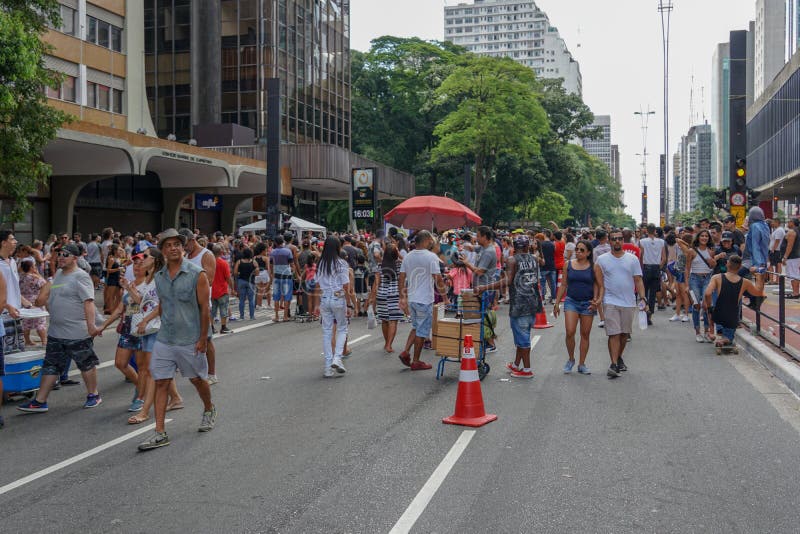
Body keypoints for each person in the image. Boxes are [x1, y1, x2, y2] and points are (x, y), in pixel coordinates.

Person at [137, 229, 216, 451]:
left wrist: (202, 338)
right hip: (165, 338)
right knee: (161, 381)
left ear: (183, 247)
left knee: (197, 380)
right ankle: (160, 432)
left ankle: (209, 408)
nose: (173, 248)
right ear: (162, 251)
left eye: (177, 244)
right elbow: (163, 303)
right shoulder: (160, 277)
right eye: (168, 245)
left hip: (190, 339)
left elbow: (204, 310)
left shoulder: (196, 274)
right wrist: (148, 321)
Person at [17, 243, 104, 413]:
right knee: (50, 365)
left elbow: (89, 302)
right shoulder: (57, 275)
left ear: (75, 258)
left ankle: (93, 394)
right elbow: (44, 300)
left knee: (86, 364)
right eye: (59, 254)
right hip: (56, 332)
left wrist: (91, 326)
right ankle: (40, 401)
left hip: (77, 332)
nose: (61, 257)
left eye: (65, 254)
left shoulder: (81, 276)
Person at [476, 235, 540, 378]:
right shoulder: (534, 259)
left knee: (523, 339)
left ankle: (527, 370)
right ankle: (516, 365)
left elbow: (508, 281)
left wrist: (485, 287)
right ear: (527, 246)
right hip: (532, 302)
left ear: (514, 247)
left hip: (519, 304)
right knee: (522, 335)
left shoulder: (512, 260)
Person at [594, 230, 647, 379]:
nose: (617, 241)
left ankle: (618, 357)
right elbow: (598, 283)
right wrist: (598, 299)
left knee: (624, 334)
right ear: (609, 241)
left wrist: (643, 298)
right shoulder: (602, 260)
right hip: (610, 301)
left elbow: (638, 280)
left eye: (619, 239)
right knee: (613, 333)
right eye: (613, 239)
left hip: (629, 302)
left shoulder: (632, 259)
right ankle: (613, 364)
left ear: (623, 241)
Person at [398, 231, 449, 370]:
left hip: (413, 299)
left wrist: (402, 297)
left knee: (416, 327)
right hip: (424, 299)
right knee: (422, 331)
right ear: (426, 240)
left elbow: (401, 277)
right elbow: (438, 279)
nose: (432, 242)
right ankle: (416, 361)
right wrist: (445, 297)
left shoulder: (408, 256)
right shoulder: (431, 256)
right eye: (431, 240)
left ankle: (406, 352)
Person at [180, 228, 219, 385]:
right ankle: (197, 370)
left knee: (207, 339)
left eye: (184, 244)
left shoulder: (206, 255)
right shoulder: (187, 256)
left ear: (191, 239)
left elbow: (209, 280)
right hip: (186, 304)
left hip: (201, 305)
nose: (183, 248)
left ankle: (212, 374)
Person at [553, 240, 598, 374]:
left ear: (588, 253)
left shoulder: (594, 266)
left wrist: (595, 300)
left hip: (587, 303)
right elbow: (563, 284)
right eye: (577, 249)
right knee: (570, 331)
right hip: (571, 301)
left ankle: (581, 364)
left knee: (585, 334)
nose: (578, 252)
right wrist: (557, 302)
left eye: (582, 250)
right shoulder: (568, 265)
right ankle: (571, 358)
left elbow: (597, 284)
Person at [313, 236, 354, 378]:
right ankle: (337, 358)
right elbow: (345, 285)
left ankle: (327, 367)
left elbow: (317, 285)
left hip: (324, 298)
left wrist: (317, 304)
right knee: (342, 328)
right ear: (337, 247)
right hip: (338, 298)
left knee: (327, 332)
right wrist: (349, 304)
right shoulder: (341, 263)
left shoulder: (320, 263)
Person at [704, 255, 765, 348]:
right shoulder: (745, 282)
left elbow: (707, 293)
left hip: (718, 314)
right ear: (740, 267)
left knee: (709, 309)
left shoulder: (716, 277)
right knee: (729, 333)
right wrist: (759, 276)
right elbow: (758, 292)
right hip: (732, 316)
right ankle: (726, 339)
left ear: (727, 264)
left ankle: (712, 332)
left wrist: (709, 307)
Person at [682, 229, 717, 343]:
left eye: (706, 236)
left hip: (707, 278)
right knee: (696, 306)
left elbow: (712, 267)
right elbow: (687, 268)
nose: (704, 238)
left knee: (706, 306)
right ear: (698, 237)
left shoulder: (711, 250)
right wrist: (687, 285)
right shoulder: (691, 251)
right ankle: (697, 332)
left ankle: (707, 331)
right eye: (702, 236)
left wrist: (713, 261)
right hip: (694, 279)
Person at [370, 244, 403, 353]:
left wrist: (372, 298)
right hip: (394, 294)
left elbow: (376, 283)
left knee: (384, 320)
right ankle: (389, 345)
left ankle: (386, 343)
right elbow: (400, 281)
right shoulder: (400, 265)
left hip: (382, 294)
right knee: (393, 321)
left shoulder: (380, 266)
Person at [639, 224, 666, 325]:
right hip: (656, 268)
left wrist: (641, 269)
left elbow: (641, 256)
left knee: (644, 292)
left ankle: (644, 313)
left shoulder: (642, 241)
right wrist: (658, 267)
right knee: (653, 293)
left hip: (646, 267)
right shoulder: (661, 242)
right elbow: (664, 258)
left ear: (646, 231)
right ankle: (650, 316)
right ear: (655, 231)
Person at [269, 235, 296, 322]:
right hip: (286, 276)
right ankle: (285, 316)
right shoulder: (287, 251)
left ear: (275, 243)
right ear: (282, 242)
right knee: (287, 296)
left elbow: (271, 265)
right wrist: (293, 272)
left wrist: (272, 275)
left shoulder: (272, 252)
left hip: (277, 276)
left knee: (276, 297)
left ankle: (276, 316)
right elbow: (292, 264)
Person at [233, 247, 258, 321]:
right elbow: (257, 273)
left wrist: (239, 274)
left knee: (242, 300)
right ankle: (252, 316)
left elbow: (235, 272)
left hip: (241, 281)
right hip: (251, 282)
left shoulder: (239, 262)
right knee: (251, 300)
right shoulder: (253, 262)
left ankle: (241, 316)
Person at [781, 218, 800, 299]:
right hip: (794, 257)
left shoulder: (792, 232)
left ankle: (795, 293)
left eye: (788, 222)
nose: (787, 223)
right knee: (794, 274)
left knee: (793, 275)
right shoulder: (796, 231)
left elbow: (790, 246)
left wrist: (785, 257)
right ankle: (795, 292)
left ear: (792, 223)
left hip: (792, 257)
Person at [769, 218, 785, 283]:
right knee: (775, 265)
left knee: (776, 265)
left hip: (776, 250)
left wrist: (773, 249)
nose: (772, 224)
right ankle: (775, 280)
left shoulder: (779, 230)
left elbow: (777, 240)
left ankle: (775, 280)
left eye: (773, 222)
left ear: (777, 222)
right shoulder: (777, 230)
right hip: (776, 250)